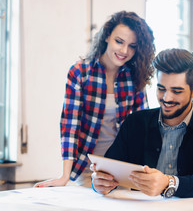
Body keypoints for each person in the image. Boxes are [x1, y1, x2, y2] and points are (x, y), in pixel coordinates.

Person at [35, 11, 155, 188]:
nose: (124, 51)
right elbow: (70, 124)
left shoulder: (135, 77)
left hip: (123, 170)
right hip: (87, 169)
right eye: (119, 41)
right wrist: (64, 176)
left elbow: (143, 127)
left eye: (132, 46)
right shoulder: (80, 72)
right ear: (107, 36)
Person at [91, 48, 193, 198]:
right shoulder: (135, 122)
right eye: (161, 89)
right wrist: (98, 182)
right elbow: (109, 168)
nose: (166, 98)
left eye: (177, 91)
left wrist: (168, 182)